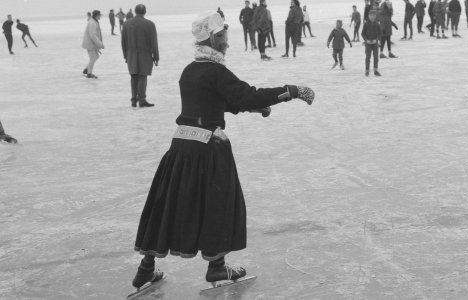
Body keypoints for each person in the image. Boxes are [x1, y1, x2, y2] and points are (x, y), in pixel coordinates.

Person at [129, 11, 315, 293]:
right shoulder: (216, 72)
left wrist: (252, 107)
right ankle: (217, 267)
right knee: (220, 205)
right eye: (224, 38)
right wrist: (290, 91)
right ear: (214, 39)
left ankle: (146, 268)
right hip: (209, 149)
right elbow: (244, 94)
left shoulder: (190, 71)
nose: (227, 43)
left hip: (180, 147)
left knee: (167, 203)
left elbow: (215, 100)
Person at [122, 4, 158, 108]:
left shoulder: (126, 24)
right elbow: (154, 42)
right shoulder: (150, 24)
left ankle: (134, 100)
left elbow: (123, 42)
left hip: (131, 54)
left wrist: (125, 56)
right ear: (145, 12)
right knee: (142, 76)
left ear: (135, 11)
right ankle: (142, 100)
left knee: (133, 77)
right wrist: (156, 56)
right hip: (145, 54)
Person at [81, 10, 104, 78]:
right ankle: (89, 73)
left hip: (91, 43)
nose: (100, 16)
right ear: (97, 15)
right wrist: (100, 44)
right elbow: (93, 35)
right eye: (100, 15)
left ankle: (87, 70)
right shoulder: (92, 23)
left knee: (95, 56)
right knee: (94, 57)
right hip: (90, 44)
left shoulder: (94, 21)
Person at [362, 10, 382, 76]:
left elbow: (380, 33)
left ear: (375, 16)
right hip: (368, 44)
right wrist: (366, 40)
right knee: (368, 57)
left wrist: (377, 40)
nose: (372, 17)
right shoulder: (366, 24)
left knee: (376, 57)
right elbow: (362, 33)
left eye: (373, 15)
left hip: (375, 43)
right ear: (368, 16)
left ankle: (375, 70)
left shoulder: (377, 24)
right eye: (371, 16)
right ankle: (367, 71)